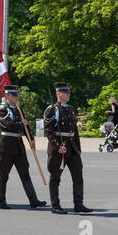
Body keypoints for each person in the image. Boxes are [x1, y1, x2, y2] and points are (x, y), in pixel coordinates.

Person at [43, 82, 93, 214]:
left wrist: (79, 147)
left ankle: (79, 204)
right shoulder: (52, 109)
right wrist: (57, 146)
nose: (68, 94)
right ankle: (55, 205)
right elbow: (48, 131)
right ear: (58, 94)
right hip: (60, 148)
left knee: (78, 175)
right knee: (55, 176)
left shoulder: (71, 109)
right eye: (65, 93)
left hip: (72, 147)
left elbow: (74, 131)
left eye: (69, 92)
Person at [0, 85, 46, 209]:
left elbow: (26, 126)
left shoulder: (19, 109)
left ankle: (33, 200)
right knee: (4, 174)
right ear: (7, 96)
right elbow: (8, 125)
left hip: (18, 147)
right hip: (6, 146)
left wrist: (31, 139)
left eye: (17, 95)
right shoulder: (3, 110)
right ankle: (1, 201)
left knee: (25, 173)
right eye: (13, 95)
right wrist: (20, 124)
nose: (16, 97)